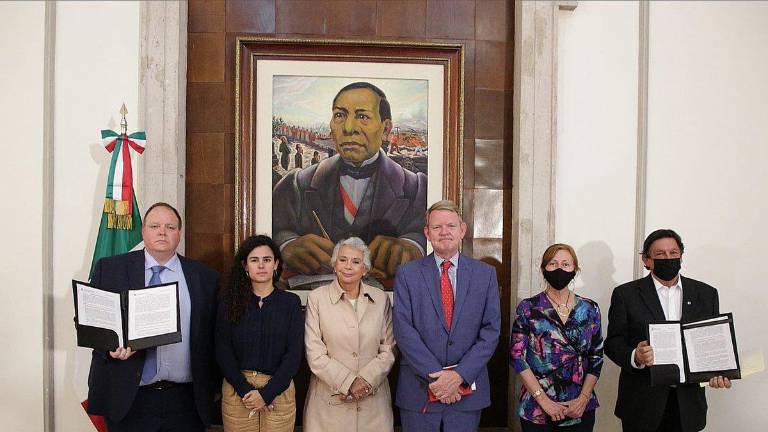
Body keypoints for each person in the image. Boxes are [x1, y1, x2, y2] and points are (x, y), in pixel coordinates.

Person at [272, 81, 427, 280]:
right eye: (340, 115)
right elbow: (274, 230)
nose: (348, 128)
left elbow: (427, 235)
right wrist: (287, 245)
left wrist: (413, 246)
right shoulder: (295, 185)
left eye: (362, 116)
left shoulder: (418, 189)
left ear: (386, 129)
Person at [86, 202, 219, 431]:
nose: (162, 232)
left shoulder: (204, 277)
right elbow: (91, 319)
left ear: (179, 233)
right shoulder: (111, 269)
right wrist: (109, 347)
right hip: (128, 399)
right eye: (155, 226)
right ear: (143, 231)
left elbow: (215, 336)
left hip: (186, 402)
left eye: (170, 227)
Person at [605, 229, 731, 432]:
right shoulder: (626, 294)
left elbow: (711, 342)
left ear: (681, 256)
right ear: (646, 259)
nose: (668, 258)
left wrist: (717, 372)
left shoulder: (706, 294)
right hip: (642, 404)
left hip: (688, 405)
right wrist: (635, 356)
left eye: (673, 253)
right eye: (660, 254)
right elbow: (613, 343)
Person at [393, 200, 501, 432]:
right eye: (437, 227)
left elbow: (490, 332)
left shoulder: (485, 275)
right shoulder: (407, 274)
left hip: (467, 393)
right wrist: (439, 379)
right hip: (419, 392)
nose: (444, 232)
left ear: (462, 230)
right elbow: (403, 330)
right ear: (427, 233)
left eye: (451, 226)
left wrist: (458, 376)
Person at [303, 237, 396, 431]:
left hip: (373, 408)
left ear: (365, 269)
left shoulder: (380, 299)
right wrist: (348, 383)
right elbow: (315, 353)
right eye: (343, 260)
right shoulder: (317, 299)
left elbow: (388, 350)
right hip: (329, 406)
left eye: (356, 261)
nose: (348, 266)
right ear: (334, 265)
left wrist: (365, 381)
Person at [510, 244, 604, 431]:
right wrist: (544, 401)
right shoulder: (528, 308)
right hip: (537, 409)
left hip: (580, 407)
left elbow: (597, 356)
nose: (559, 269)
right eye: (553, 263)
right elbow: (517, 356)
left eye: (565, 264)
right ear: (543, 268)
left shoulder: (590, 308)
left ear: (575, 269)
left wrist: (583, 398)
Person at [216, 235, 304, 431]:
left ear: (276, 264)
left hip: (279, 390)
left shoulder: (290, 303)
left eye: (267, 259)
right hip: (238, 391)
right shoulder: (229, 302)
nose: (261, 265)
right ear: (245, 266)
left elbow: (293, 355)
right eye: (254, 260)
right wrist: (246, 391)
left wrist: (266, 394)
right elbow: (223, 351)